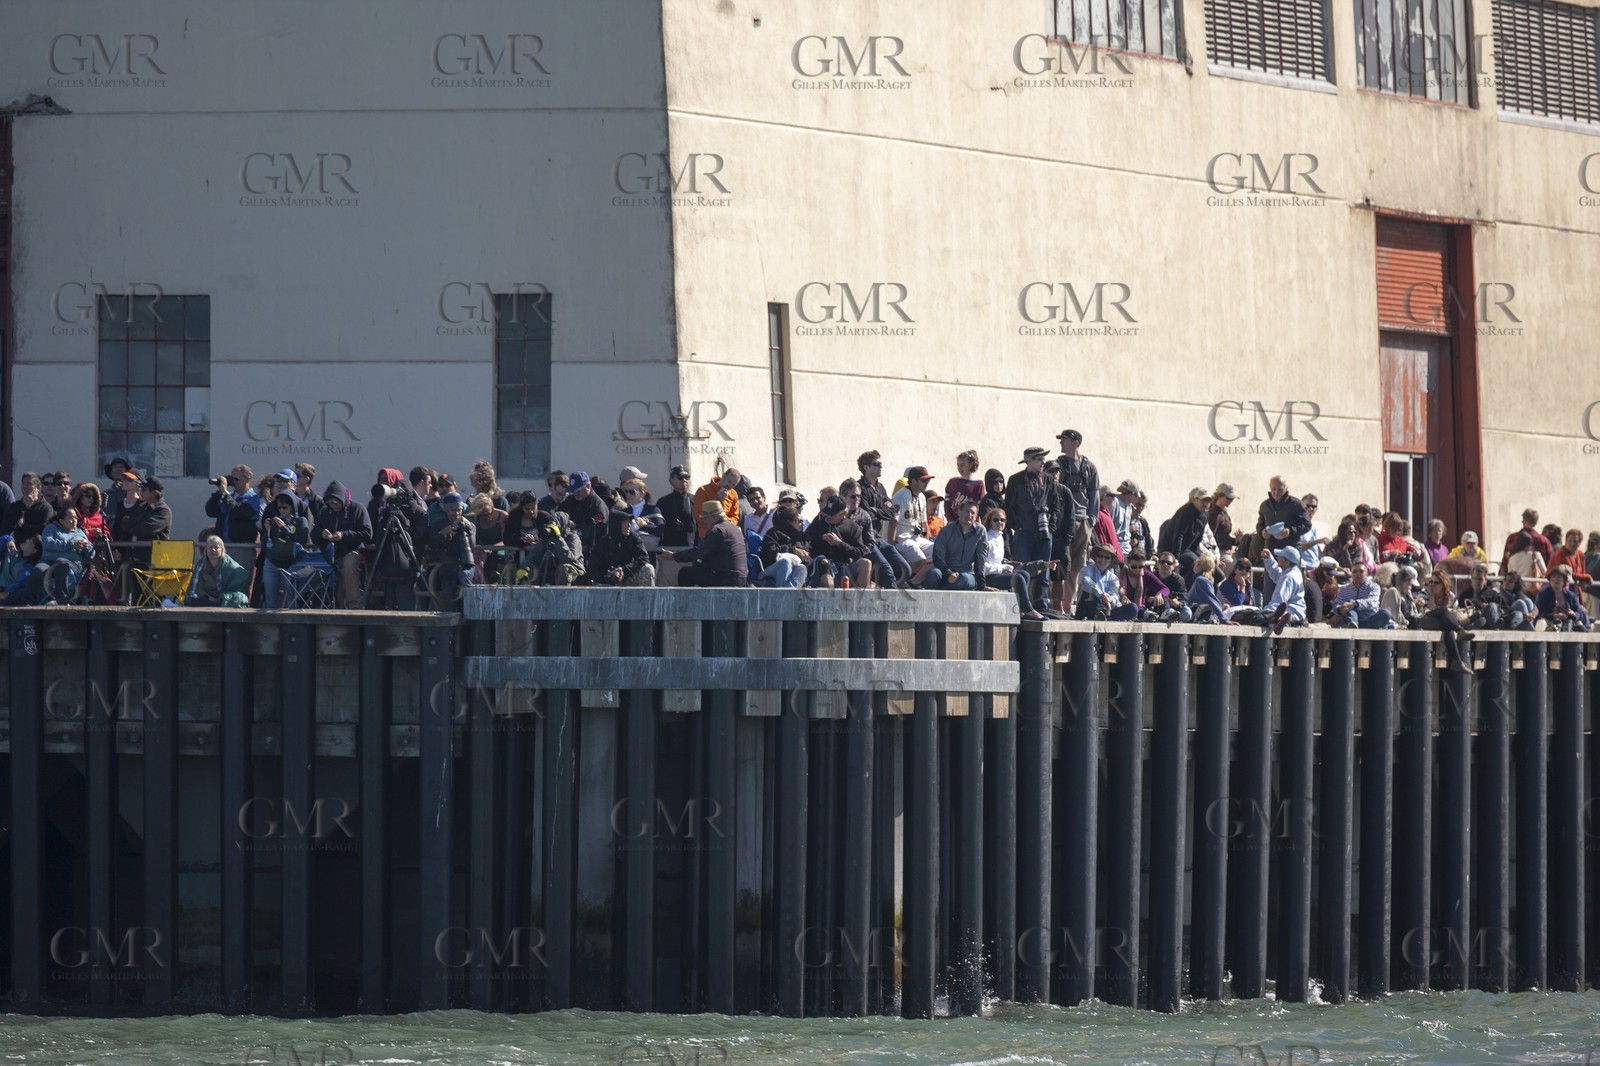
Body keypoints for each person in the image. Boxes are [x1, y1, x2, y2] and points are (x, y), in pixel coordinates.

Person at [1005, 447, 1058, 613]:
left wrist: (1051, 526)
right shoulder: (1015, 480)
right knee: (1022, 569)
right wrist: (1018, 526)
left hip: (1044, 532)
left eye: (1043, 459)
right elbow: (1009, 506)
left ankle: (1041, 605)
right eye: (1039, 459)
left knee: (1044, 572)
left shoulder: (1048, 480)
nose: (1043, 463)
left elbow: (1056, 505)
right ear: (1029, 461)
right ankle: (1022, 605)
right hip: (1024, 533)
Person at [1053, 429, 1100, 596]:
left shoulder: (1089, 467)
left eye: (1064, 440)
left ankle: (1068, 604)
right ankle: (1058, 604)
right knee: (1061, 564)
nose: (1061, 443)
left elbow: (1094, 493)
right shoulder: (1058, 465)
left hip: (1083, 521)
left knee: (1077, 567)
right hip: (1063, 522)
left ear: (1075, 443)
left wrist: (1092, 519)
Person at [314, 480, 373, 609]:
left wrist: (345, 535)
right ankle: (336, 606)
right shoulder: (324, 512)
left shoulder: (358, 509)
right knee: (338, 585)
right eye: (330, 504)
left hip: (353, 552)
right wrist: (321, 534)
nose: (333, 506)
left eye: (335, 503)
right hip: (330, 555)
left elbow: (367, 533)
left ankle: (354, 606)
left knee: (349, 563)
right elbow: (314, 536)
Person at [663, 500, 749, 587]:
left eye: (706, 518)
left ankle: (687, 600)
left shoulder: (717, 530)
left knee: (685, 573)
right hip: (741, 578)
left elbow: (700, 552)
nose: (704, 521)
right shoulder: (734, 528)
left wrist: (674, 556)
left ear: (714, 517)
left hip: (727, 578)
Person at [23, 505, 91, 604]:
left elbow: (91, 554)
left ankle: (62, 600)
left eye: (76, 518)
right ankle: (28, 602)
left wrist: (88, 548)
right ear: (62, 521)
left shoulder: (80, 533)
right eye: (71, 518)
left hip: (72, 564)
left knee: (61, 564)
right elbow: (48, 543)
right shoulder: (50, 529)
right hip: (48, 561)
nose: (75, 520)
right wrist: (71, 545)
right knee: (38, 570)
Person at [261, 492, 312, 609]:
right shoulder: (275, 520)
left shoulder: (300, 521)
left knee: (291, 600)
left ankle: (291, 625)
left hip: (291, 563)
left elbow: (301, 541)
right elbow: (265, 545)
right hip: (272, 561)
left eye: (285, 507)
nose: (282, 510)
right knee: (270, 601)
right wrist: (267, 530)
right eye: (279, 507)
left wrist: (284, 528)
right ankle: (271, 626)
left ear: (292, 506)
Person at [425, 493, 476, 610]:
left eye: (459, 509)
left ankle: (469, 616)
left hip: (465, 563)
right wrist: (443, 533)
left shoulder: (469, 524)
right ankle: (451, 621)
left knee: (465, 580)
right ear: (446, 510)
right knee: (449, 594)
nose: (457, 513)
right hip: (446, 563)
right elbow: (432, 544)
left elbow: (472, 546)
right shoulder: (438, 523)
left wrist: (467, 530)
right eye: (453, 510)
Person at [890, 465, 937, 585]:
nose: (927, 483)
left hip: (916, 538)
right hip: (901, 538)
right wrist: (890, 547)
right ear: (914, 481)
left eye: (928, 480)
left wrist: (926, 540)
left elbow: (923, 523)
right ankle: (899, 580)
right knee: (919, 557)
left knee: (939, 554)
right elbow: (893, 522)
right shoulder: (901, 496)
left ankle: (913, 583)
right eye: (924, 480)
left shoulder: (921, 497)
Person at [927, 501, 988, 590]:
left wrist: (982, 584)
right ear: (959, 512)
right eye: (967, 511)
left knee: (965, 580)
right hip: (946, 571)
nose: (970, 515)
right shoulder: (946, 531)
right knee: (933, 574)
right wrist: (949, 574)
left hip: (966, 573)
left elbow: (981, 558)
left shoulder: (981, 531)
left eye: (973, 513)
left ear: (976, 516)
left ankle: (942, 589)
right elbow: (937, 556)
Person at [1253, 476, 1312, 564]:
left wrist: (1290, 531)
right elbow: (1259, 526)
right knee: (1270, 577)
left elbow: (1307, 524)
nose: (1276, 492)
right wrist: (1262, 533)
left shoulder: (1296, 504)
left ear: (1286, 488)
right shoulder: (1265, 506)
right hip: (1271, 553)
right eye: (1274, 489)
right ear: (1270, 488)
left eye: (1280, 489)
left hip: (1291, 554)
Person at [589, 509, 655, 587]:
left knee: (647, 568)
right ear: (617, 525)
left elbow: (643, 557)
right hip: (608, 581)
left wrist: (625, 570)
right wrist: (609, 578)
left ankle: (647, 598)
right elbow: (593, 569)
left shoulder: (633, 538)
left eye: (630, 523)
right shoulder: (603, 543)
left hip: (629, 575)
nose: (629, 526)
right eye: (626, 523)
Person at [754, 499, 809, 589]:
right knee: (785, 562)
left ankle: (787, 593)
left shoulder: (803, 537)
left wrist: (805, 558)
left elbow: (810, 559)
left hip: (793, 570)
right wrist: (793, 551)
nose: (802, 524)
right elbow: (769, 553)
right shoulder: (773, 533)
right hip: (769, 569)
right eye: (799, 521)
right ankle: (784, 594)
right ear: (789, 522)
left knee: (801, 568)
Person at [184, 536, 251, 608]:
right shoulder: (200, 565)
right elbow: (196, 588)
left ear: (222, 550)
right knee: (189, 601)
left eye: (216, 547)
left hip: (223, 599)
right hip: (206, 598)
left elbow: (236, 591)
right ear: (206, 549)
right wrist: (208, 597)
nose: (213, 550)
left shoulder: (231, 567)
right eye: (210, 547)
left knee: (239, 599)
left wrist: (219, 598)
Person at [558, 472, 610, 555]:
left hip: (591, 553)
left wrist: (577, 528)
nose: (576, 494)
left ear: (588, 486)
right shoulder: (569, 502)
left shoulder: (598, 506)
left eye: (578, 491)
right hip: (570, 550)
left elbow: (598, 531)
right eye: (573, 491)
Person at [1330, 560, 1393, 629]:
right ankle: (1353, 624)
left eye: (1361, 571)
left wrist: (1355, 604)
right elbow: (1337, 603)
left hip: (1370, 618)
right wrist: (1340, 609)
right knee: (1348, 603)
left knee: (1386, 613)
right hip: (1351, 619)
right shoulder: (1344, 588)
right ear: (1351, 574)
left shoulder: (1374, 587)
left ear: (1366, 574)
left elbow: (1372, 602)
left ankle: (1360, 626)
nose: (1357, 573)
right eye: (1354, 572)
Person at [1262, 546, 1307, 633]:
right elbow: (1277, 574)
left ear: (1286, 562)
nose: (1277, 557)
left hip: (1292, 613)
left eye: (1280, 557)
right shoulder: (1293, 572)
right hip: (1299, 613)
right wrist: (1268, 559)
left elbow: (1279, 601)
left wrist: (1265, 613)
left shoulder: (1288, 578)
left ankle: (1284, 620)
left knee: (1265, 620)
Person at [1534, 565, 1591, 631]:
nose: (1556, 580)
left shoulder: (1571, 595)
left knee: (1579, 624)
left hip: (1569, 623)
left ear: (1564, 581)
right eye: (1553, 577)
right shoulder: (1543, 594)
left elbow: (1579, 612)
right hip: (1550, 623)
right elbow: (1539, 613)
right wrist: (1554, 616)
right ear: (1549, 580)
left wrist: (1574, 614)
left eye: (1559, 577)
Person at [1159, 488, 1211, 559]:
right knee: (1197, 565)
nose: (1205, 504)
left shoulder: (1205, 515)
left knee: (1208, 565)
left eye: (1208, 501)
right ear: (1195, 500)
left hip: (1187, 550)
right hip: (1171, 549)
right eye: (1203, 501)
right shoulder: (1186, 511)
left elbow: (1199, 538)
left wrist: (1194, 553)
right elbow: (1179, 535)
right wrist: (1176, 558)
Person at [1074, 543, 1122, 620]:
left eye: (1107, 558)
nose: (1103, 560)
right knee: (1089, 595)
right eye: (1100, 556)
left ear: (1111, 561)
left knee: (1133, 608)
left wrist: (1110, 599)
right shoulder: (1085, 570)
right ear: (1095, 557)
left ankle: (1104, 616)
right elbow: (1087, 582)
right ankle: (1101, 615)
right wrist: (1101, 595)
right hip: (1086, 609)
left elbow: (1115, 595)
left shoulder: (1114, 578)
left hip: (1107, 609)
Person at [692, 468, 741, 538]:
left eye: (733, 485)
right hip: (707, 535)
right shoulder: (703, 491)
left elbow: (735, 517)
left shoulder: (733, 494)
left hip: (726, 535)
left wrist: (726, 521)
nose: (729, 486)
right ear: (723, 476)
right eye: (729, 482)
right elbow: (700, 517)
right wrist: (718, 501)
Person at [658, 466, 697, 548]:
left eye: (687, 477)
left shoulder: (695, 499)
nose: (684, 480)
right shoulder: (663, 502)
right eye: (680, 477)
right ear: (671, 481)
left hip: (691, 545)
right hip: (670, 545)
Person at [129, 477, 173, 542]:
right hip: (138, 550)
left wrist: (130, 527)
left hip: (155, 551)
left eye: (143, 489)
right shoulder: (142, 507)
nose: (140, 492)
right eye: (140, 489)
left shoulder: (163, 511)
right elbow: (128, 522)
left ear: (154, 493)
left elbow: (146, 529)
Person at [1186, 553, 1227, 623]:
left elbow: (1211, 600)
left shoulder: (1201, 580)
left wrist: (1224, 620)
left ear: (1198, 565)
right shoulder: (1200, 580)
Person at [944, 450, 984, 522]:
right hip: (954, 524)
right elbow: (947, 504)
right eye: (958, 465)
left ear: (971, 465)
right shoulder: (952, 483)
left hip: (971, 524)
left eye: (963, 465)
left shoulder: (978, 485)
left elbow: (980, 507)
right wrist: (951, 521)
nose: (959, 468)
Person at [1207, 484, 1238, 555]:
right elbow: (1208, 539)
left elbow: (1223, 537)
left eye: (1232, 499)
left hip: (1227, 551)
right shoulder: (1214, 514)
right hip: (1220, 554)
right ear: (1220, 496)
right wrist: (1216, 554)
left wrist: (1236, 540)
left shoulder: (1223, 512)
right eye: (1229, 498)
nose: (1231, 501)